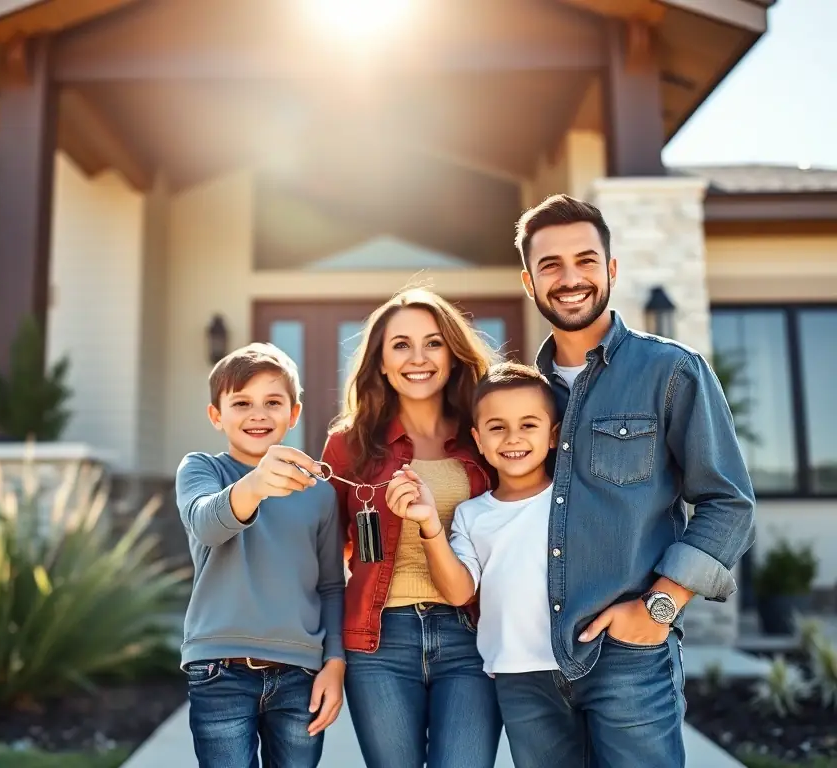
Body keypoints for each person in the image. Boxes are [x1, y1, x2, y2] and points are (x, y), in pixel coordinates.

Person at [453, 193, 751, 768]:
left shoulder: (671, 372)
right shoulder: (517, 396)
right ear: (528, 281)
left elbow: (728, 504)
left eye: (586, 261)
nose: (570, 279)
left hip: (629, 659)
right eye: (551, 266)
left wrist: (661, 607)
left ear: (611, 269)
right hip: (529, 669)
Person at [320, 287, 503, 768]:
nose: (417, 358)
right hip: (379, 643)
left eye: (433, 343)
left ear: (453, 355)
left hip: (470, 636)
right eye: (400, 345)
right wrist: (330, 655)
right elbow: (323, 561)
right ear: (380, 361)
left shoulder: (485, 437)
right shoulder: (347, 446)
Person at [384, 363, 565, 764]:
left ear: (553, 436)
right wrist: (430, 524)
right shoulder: (471, 515)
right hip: (517, 677)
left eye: (528, 425)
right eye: (497, 427)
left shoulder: (572, 502)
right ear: (478, 440)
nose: (513, 438)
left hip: (584, 666)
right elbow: (460, 590)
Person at [175, 342, 346, 768]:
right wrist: (255, 485)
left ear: (294, 414)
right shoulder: (202, 469)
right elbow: (205, 525)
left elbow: (330, 585)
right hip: (220, 672)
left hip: (300, 676)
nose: (258, 413)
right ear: (217, 415)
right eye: (242, 403)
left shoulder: (320, 493)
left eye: (273, 402)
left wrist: (335, 663)